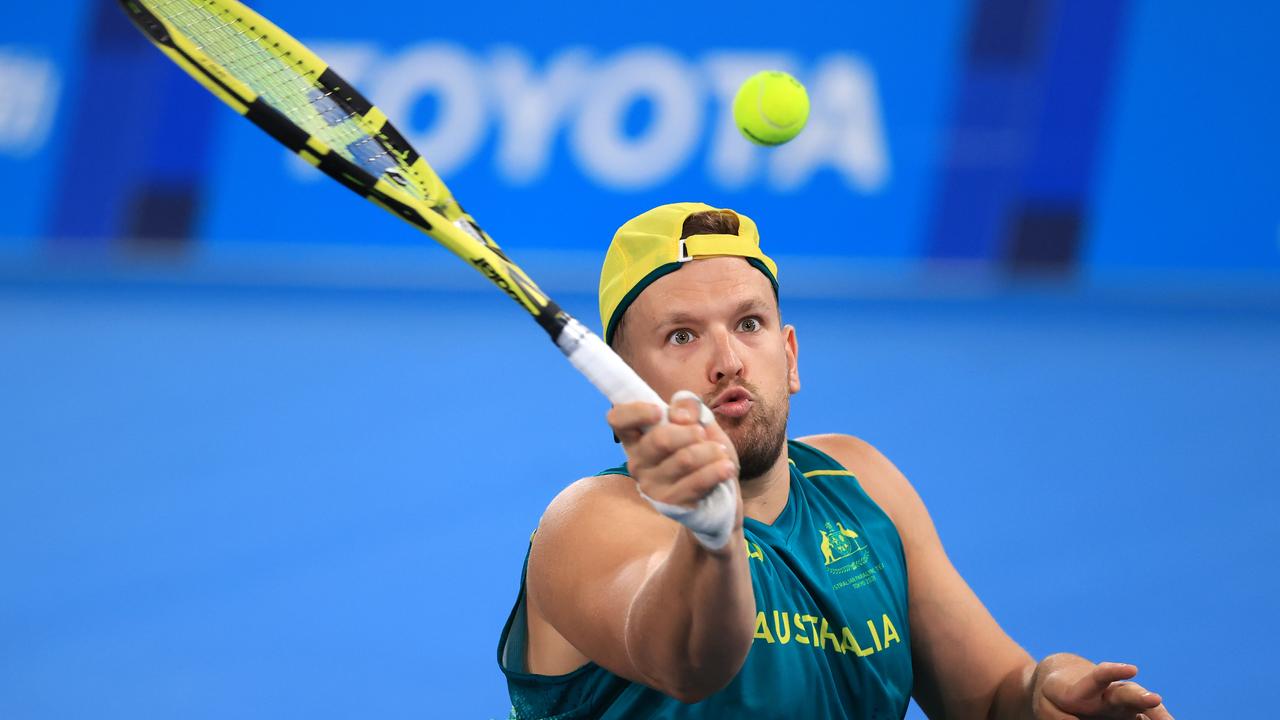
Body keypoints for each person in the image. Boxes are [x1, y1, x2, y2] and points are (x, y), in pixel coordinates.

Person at [497, 202, 1174, 720]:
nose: (728, 359)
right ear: (628, 383)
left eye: (749, 324)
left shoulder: (860, 484)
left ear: (789, 356)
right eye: (682, 335)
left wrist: (1045, 691)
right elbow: (689, 663)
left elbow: (992, 695)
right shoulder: (585, 526)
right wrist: (712, 532)